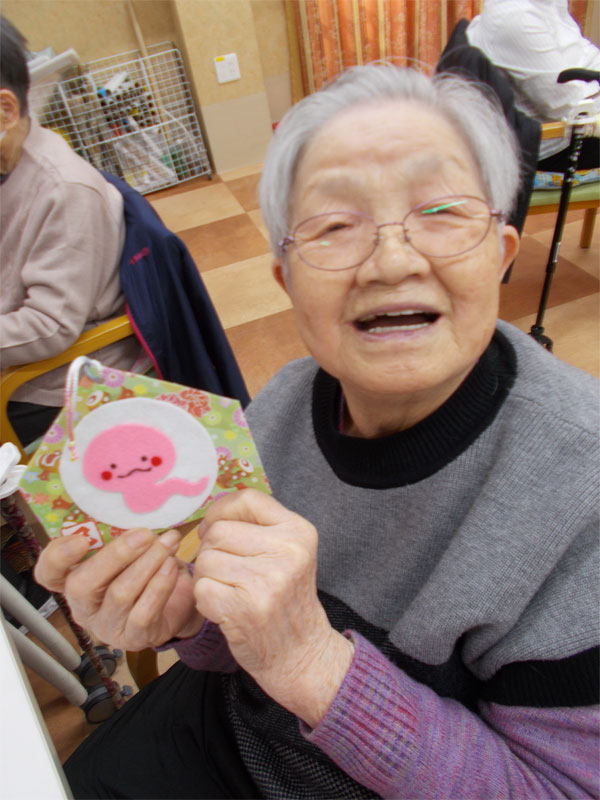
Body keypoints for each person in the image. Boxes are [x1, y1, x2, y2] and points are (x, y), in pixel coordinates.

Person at [35, 64, 599, 799]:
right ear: (287, 282)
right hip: (227, 725)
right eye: (335, 226)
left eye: (440, 211)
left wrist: (311, 663)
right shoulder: (283, 405)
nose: (393, 261)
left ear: (501, 254)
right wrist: (186, 620)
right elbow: (242, 648)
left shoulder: (582, 495)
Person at [0, 16, 140, 446]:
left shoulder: (63, 190)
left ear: (6, 110)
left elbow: (51, 324)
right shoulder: (9, 168)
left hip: (56, 380)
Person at [466, 0, 600, 171]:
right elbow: (564, 106)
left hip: (569, 130)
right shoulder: (517, 18)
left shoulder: (544, 4)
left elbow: (583, 52)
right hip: (544, 151)